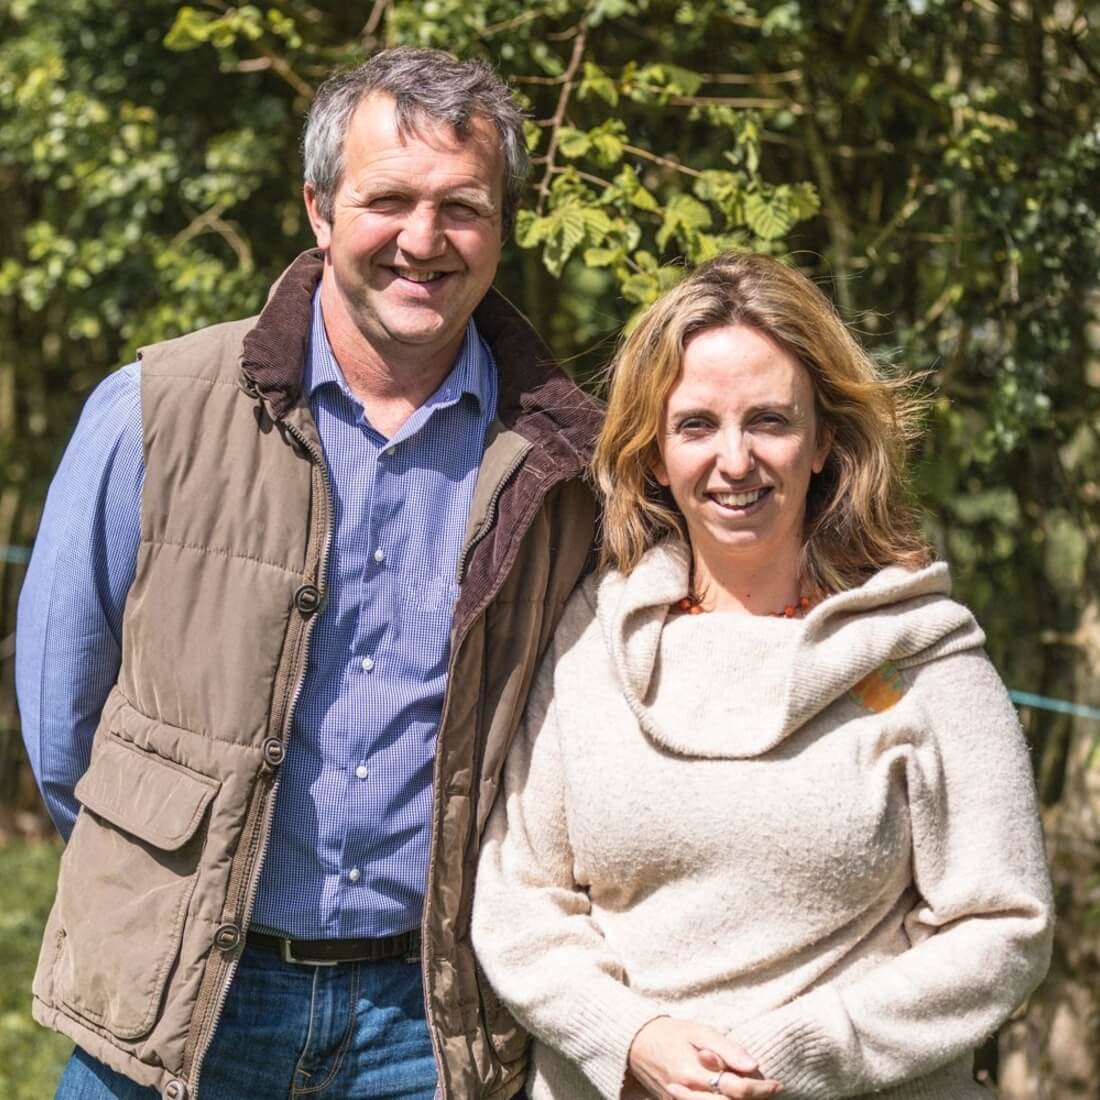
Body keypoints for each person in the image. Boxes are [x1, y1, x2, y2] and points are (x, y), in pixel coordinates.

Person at [17, 47, 600, 1100]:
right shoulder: (155, 410)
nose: (423, 240)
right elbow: (62, 720)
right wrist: (165, 885)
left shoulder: (563, 464)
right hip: (183, 994)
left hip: (427, 1021)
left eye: (461, 206)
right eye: (389, 200)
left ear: (501, 223)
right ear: (320, 209)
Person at [472, 251, 1054, 1100]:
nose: (735, 460)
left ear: (824, 441)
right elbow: (516, 897)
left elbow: (1003, 928)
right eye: (697, 425)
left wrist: (801, 1052)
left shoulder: (922, 656)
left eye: (770, 422)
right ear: (653, 451)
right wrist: (633, 1036)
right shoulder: (586, 643)